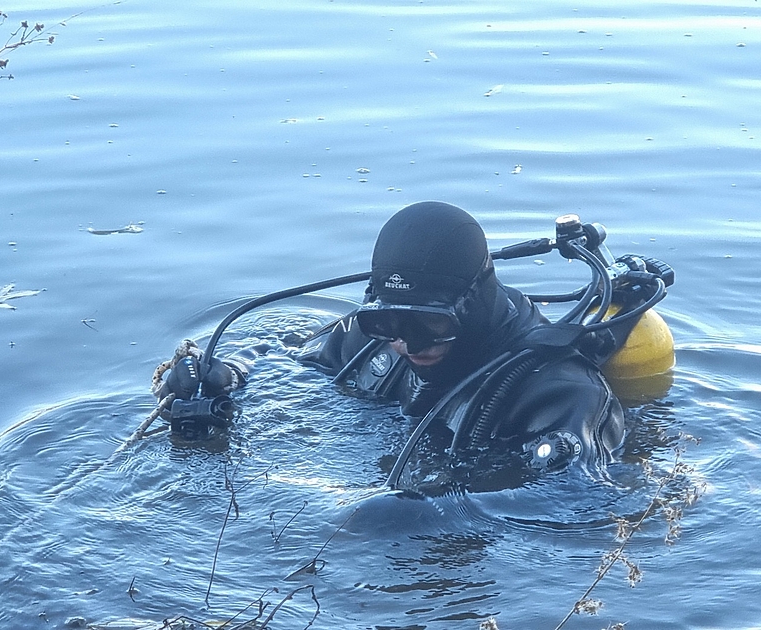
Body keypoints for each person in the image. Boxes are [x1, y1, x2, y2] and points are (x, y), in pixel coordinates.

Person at [156, 201, 668, 492]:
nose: (406, 343)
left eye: (430, 324)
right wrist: (228, 374)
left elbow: (572, 504)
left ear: (476, 298)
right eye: (390, 321)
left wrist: (419, 510)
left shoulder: (562, 393)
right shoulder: (377, 333)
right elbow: (285, 356)